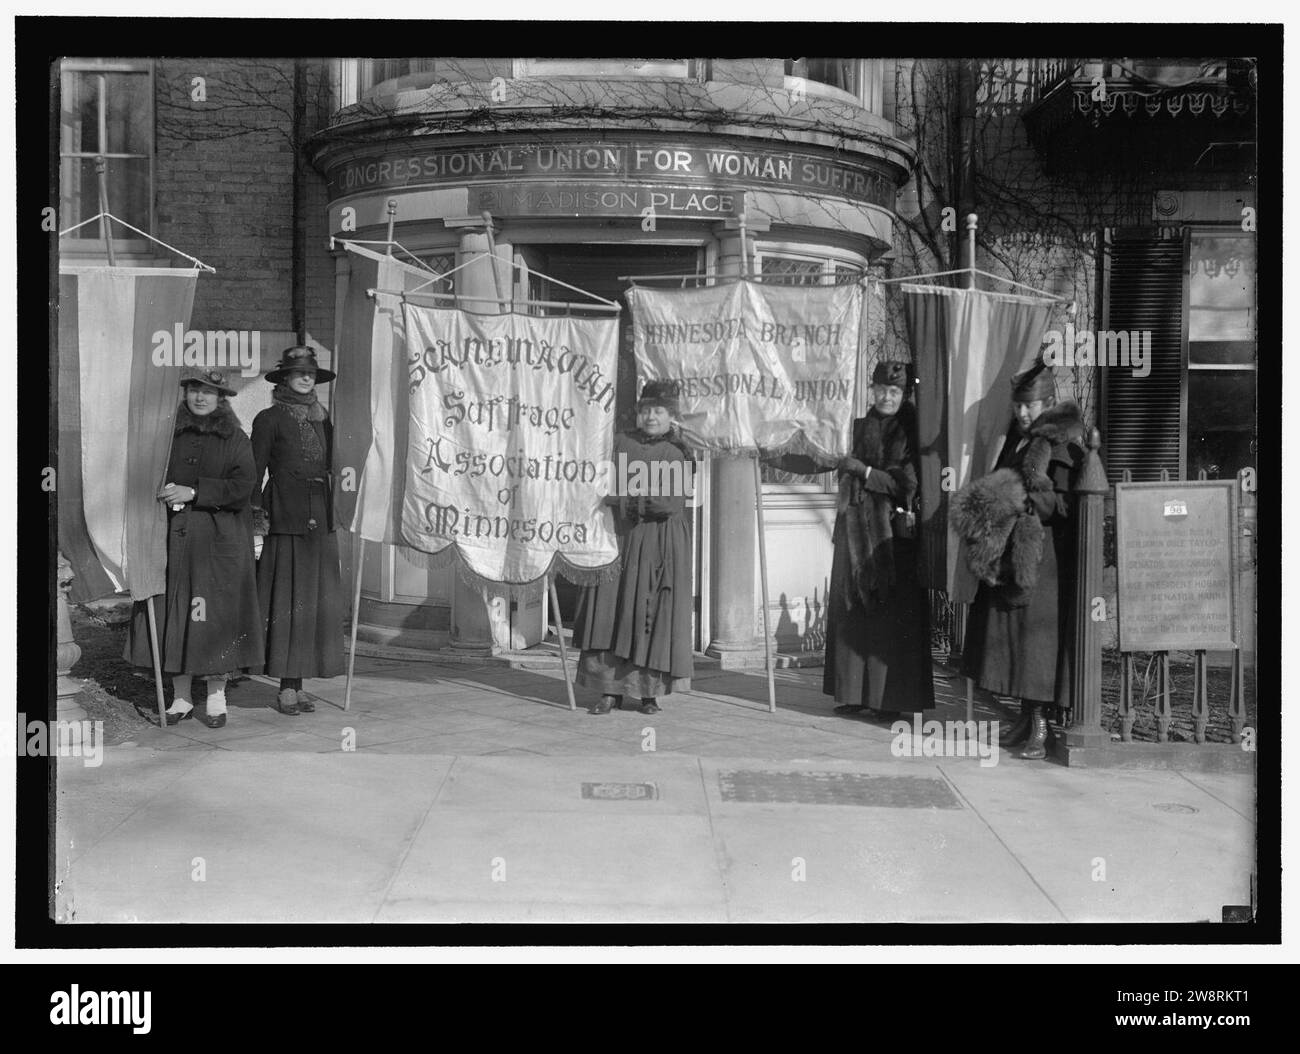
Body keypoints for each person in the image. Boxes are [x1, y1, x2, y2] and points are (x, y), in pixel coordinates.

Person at [956, 361, 1085, 759]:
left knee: (1038, 649)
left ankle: (1041, 726)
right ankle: (1027, 720)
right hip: (1015, 554)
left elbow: (1066, 505)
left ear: (1048, 403)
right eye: (1019, 406)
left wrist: (1023, 500)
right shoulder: (1019, 442)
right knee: (1017, 645)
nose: (1023, 413)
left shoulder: (1063, 446)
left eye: (1030, 406)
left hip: (1043, 562)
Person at [125, 367, 264, 729]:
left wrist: (196, 492)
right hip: (170, 538)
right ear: (185, 394)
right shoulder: (167, 437)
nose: (200, 398)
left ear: (221, 399)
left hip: (218, 541)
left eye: (208, 392)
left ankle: (216, 697)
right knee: (174, 613)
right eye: (194, 391)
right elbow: (145, 476)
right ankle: (181, 698)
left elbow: (244, 485)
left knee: (213, 618)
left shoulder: (235, 438)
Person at [572, 380, 694, 715]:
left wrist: (619, 499)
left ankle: (648, 693)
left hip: (658, 543)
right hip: (619, 540)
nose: (651, 416)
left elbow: (667, 503)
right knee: (610, 612)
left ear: (672, 415)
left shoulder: (678, 452)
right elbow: (597, 481)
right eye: (646, 410)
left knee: (647, 614)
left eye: (659, 410)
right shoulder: (619, 443)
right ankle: (609, 691)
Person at [822, 360, 935, 718]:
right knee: (854, 613)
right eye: (881, 389)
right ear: (871, 390)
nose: (887, 396)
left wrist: (867, 472)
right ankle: (853, 693)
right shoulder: (856, 427)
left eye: (895, 391)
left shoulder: (913, 433)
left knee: (890, 620)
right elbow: (826, 456)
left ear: (905, 394)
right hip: (854, 531)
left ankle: (889, 701)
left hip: (891, 539)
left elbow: (908, 485)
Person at [251, 346, 344, 715]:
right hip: (285, 519)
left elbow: (338, 464)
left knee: (313, 604)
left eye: (310, 374)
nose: (306, 379)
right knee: (287, 601)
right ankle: (286, 686)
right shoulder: (268, 419)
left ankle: (301, 682)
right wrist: (255, 520)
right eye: (298, 373)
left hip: (320, 520)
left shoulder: (324, 420)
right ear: (285, 379)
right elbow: (254, 471)